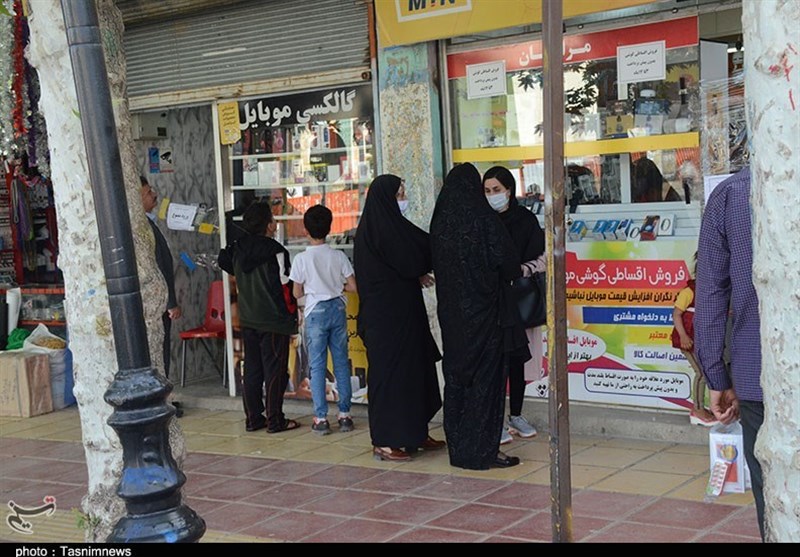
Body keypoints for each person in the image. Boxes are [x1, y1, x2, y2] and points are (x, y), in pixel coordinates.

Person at [431, 163, 530, 470]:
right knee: (486, 383)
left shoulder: (440, 222)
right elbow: (509, 265)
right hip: (486, 318)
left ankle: (459, 448)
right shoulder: (485, 220)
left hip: (452, 318)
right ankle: (483, 451)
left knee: (456, 380)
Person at [694, 167, 765, 541]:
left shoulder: (733, 193)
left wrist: (717, 376)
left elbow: (710, 293)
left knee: (775, 495)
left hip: (760, 374)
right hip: (757, 377)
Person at [354, 174, 445, 462]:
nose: (403, 200)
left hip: (404, 315)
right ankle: (384, 440)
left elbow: (413, 253)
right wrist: (417, 270)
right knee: (390, 377)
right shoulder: (378, 231)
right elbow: (408, 258)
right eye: (400, 195)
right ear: (386, 199)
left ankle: (415, 433)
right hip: (385, 321)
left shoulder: (392, 226)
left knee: (413, 371)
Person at [218, 201, 300, 434]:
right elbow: (286, 285)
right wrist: (292, 313)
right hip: (273, 319)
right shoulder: (276, 251)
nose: (275, 223)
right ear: (268, 225)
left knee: (253, 370)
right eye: (272, 219)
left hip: (248, 318)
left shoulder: (236, 249)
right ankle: (275, 420)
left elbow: (223, 260)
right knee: (275, 370)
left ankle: (253, 418)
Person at [482, 166, 545, 445]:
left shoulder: (525, 220)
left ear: (509, 190)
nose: (492, 195)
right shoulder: (482, 221)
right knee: (495, 362)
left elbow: (542, 257)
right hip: (491, 302)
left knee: (518, 358)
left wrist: (521, 270)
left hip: (519, 300)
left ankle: (516, 415)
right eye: (487, 191)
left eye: (496, 190)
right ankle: (495, 421)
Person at [289, 205, 357, 436]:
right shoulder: (338, 256)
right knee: (341, 363)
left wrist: (313, 288)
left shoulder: (301, 259)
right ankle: (345, 415)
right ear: (329, 228)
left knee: (317, 366)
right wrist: (337, 287)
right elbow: (353, 286)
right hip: (337, 309)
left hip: (315, 312)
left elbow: (296, 293)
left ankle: (321, 418)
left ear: (306, 230)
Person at [140, 177, 183, 417]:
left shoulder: (150, 223)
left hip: (158, 300)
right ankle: (159, 401)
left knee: (161, 351)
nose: (154, 195)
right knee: (157, 351)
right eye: (148, 192)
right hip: (154, 303)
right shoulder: (142, 228)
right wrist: (170, 302)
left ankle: (162, 398)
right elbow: (159, 267)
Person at [671, 253, 717, 426]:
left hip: (704, 341)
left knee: (711, 371)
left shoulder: (712, 290)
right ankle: (697, 409)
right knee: (702, 373)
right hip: (689, 341)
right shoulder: (689, 292)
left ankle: (710, 406)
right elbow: (676, 314)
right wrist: (683, 336)